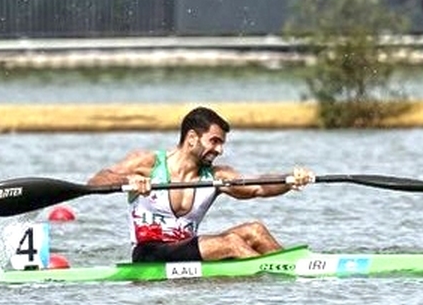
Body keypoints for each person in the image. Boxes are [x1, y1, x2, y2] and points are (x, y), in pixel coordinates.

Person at [87, 106, 313, 263]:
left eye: (222, 144)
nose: (219, 150)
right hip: (149, 253)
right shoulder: (148, 163)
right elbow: (96, 181)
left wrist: (289, 180)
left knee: (255, 230)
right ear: (192, 138)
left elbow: (259, 187)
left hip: (188, 247)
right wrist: (129, 181)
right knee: (231, 243)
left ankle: (295, 272)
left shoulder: (216, 176)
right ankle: (271, 277)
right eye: (214, 141)